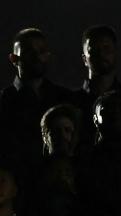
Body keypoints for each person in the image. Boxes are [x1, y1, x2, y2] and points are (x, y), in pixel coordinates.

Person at [0, 28, 73, 163]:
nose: (37, 57)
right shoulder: (3, 101)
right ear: (13, 59)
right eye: (29, 52)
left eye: (42, 51)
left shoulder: (65, 98)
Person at [74, 25, 121, 146]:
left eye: (106, 48)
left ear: (115, 53)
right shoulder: (70, 102)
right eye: (94, 50)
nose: (101, 54)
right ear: (84, 59)